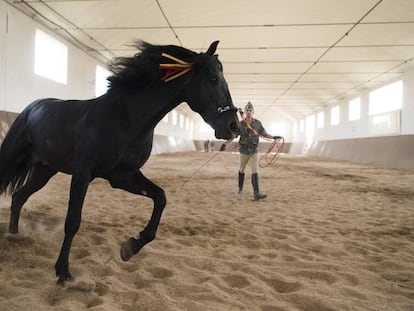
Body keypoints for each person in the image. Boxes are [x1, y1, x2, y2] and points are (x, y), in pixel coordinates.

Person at [220, 102, 281, 201]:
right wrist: (224, 144)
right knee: (242, 169)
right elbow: (233, 136)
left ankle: (256, 193)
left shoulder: (257, 123)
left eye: (250, 110)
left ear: (253, 112)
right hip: (243, 151)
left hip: (254, 151)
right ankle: (240, 189)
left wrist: (274, 137)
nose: (249, 112)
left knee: (255, 170)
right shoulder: (240, 124)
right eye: (247, 110)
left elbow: (264, 134)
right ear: (244, 112)